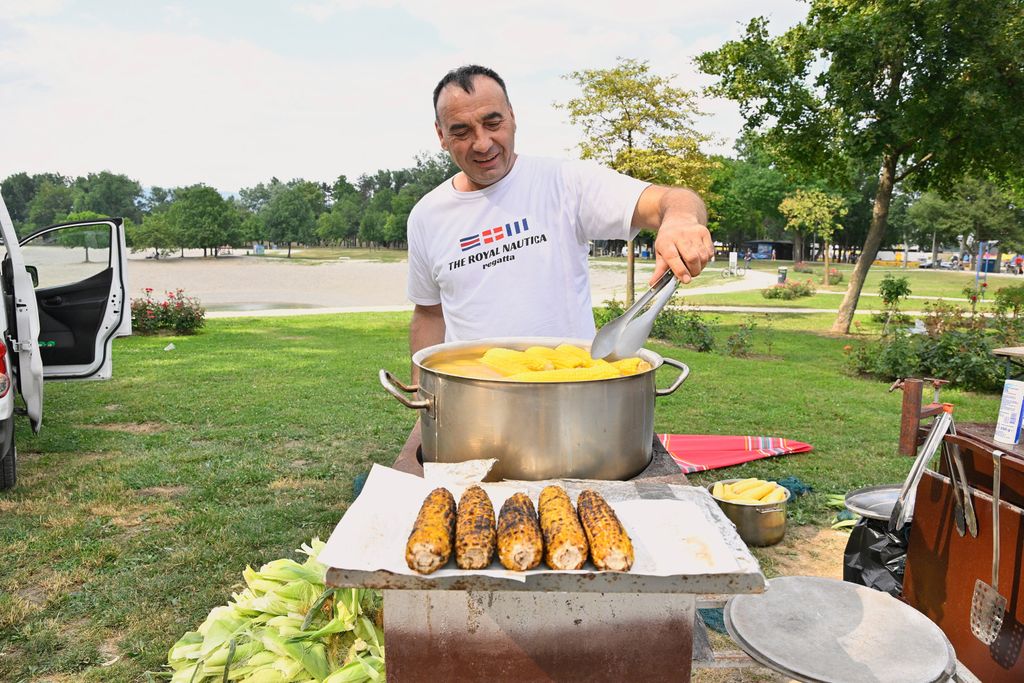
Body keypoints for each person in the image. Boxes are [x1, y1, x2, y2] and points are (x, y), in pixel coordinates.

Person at [406, 65, 712, 377]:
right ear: (441, 135)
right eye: (461, 131)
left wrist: (681, 220)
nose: (482, 143)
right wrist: (422, 398)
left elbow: (670, 200)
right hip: (475, 400)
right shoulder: (426, 216)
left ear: (512, 116)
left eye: (492, 122)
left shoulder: (566, 182)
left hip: (571, 395)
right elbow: (430, 313)